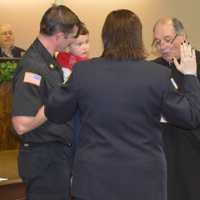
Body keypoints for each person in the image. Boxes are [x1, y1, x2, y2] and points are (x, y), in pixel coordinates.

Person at [45, 9, 200, 200]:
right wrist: (190, 76)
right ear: (138, 37)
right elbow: (190, 116)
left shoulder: (84, 71)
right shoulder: (156, 75)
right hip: (144, 181)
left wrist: (64, 78)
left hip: (94, 180)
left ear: (105, 37)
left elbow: (54, 112)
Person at [11, 5, 81, 200]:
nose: (71, 43)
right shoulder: (33, 66)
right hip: (44, 161)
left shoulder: (49, 62)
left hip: (56, 157)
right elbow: (21, 124)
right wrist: (55, 104)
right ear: (59, 35)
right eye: (70, 38)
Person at [152, 17, 200, 200]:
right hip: (165, 153)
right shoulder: (152, 70)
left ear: (183, 36)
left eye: (167, 39)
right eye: (157, 42)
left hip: (195, 151)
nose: (162, 46)